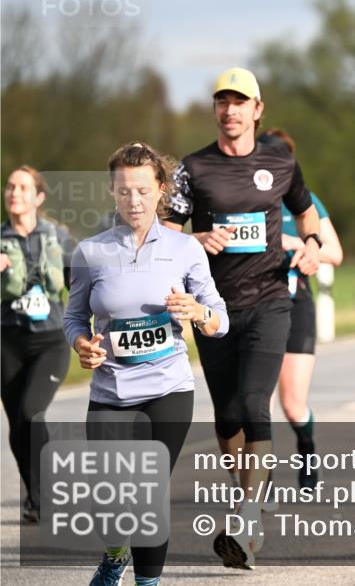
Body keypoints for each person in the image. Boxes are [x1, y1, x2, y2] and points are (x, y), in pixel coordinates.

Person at [164, 68, 321, 569]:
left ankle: (247, 517)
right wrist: (193, 240)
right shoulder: (193, 168)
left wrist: (312, 244)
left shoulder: (280, 162)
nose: (229, 110)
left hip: (271, 299)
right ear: (215, 110)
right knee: (228, 412)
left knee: (256, 401)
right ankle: (245, 490)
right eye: (221, 102)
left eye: (239, 102)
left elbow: (307, 211)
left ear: (257, 110)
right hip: (211, 306)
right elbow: (164, 232)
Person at [64, 143, 228, 586]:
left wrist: (199, 313)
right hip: (111, 391)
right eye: (123, 191)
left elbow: (219, 318)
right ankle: (115, 555)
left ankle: (147, 582)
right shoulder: (90, 252)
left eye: (142, 190)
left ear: (160, 190)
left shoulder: (185, 249)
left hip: (168, 390)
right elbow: (74, 316)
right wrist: (81, 343)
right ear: (112, 192)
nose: (133, 201)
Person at [266, 128, 343, 491]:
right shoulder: (237, 197)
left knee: (293, 405)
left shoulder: (304, 200)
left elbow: (335, 253)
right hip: (251, 304)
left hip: (296, 303)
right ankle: (254, 482)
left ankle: (306, 447)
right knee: (252, 403)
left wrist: (298, 242)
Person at [1, 166, 75, 522]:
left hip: (51, 339)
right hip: (8, 341)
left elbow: (80, 282)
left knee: (31, 412)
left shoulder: (58, 237)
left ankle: (45, 492)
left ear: (38, 197)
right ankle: (36, 497)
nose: (14, 192)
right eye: (10, 186)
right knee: (17, 423)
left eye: (23, 187)